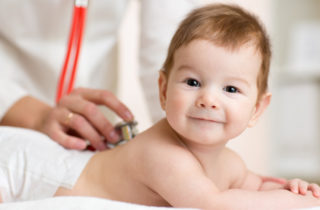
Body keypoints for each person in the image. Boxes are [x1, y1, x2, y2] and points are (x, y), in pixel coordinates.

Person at [1, 3, 320, 209]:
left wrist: (293, 187)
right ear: (163, 90)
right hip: (28, 164)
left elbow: (255, 184)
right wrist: (297, 205)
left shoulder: (229, 161)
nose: (208, 99)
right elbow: (212, 205)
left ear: (258, 109)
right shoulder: (164, 155)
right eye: (193, 82)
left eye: (231, 88)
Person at [0, 0, 197, 150]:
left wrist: (183, 139)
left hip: (95, 114)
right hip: (10, 98)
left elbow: (170, 42)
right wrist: (37, 116)